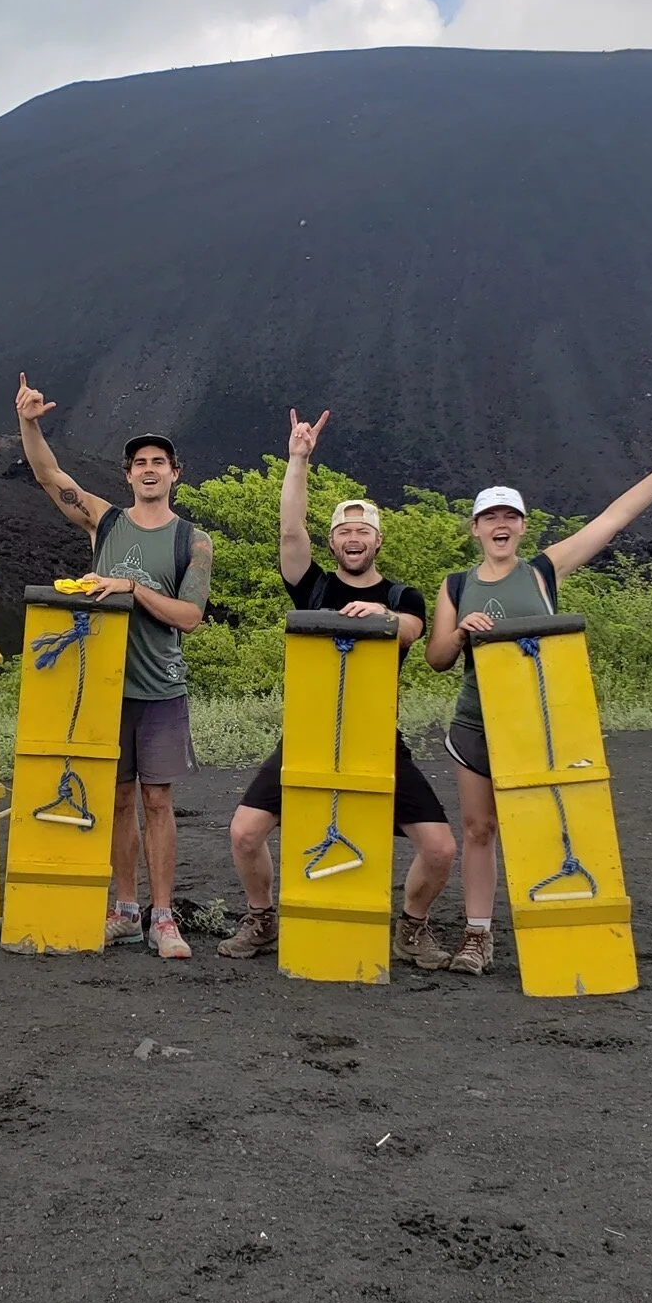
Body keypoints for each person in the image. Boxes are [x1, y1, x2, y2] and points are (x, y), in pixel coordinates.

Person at [426, 429, 652, 975]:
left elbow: (610, 521)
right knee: (479, 829)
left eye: (510, 517)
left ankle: (562, 921)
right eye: (490, 518)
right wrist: (461, 632)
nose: (500, 525)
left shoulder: (542, 571)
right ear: (476, 527)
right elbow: (436, 658)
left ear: (523, 526)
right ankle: (477, 937)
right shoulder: (456, 584)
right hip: (474, 723)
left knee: (548, 824)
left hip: (540, 725)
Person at [217, 410, 459, 969]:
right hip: (307, 735)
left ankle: (413, 927)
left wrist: (379, 615)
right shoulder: (313, 587)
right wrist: (298, 459)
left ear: (378, 539)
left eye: (363, 531)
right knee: (244, 832)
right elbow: (289, 531)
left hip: (374, 739)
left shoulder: (404, 596)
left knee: (442, 849)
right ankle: (262, 918)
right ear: (332, 541)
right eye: (344, 531)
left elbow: (414, 632)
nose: (354, 538)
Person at [14, 372, 212, 960]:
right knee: (119, 799)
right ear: (127, 475)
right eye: (139, 462)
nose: (149, 468)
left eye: (159, 461)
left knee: (158, 801)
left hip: (159, 688)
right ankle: (125, 909)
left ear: (175, 473)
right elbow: (52, 478)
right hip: (101, 687)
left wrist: (129, 586)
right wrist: (28, 424)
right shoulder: (106, 522)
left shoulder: (192, 542)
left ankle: (165, 915)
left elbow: (189, 616)